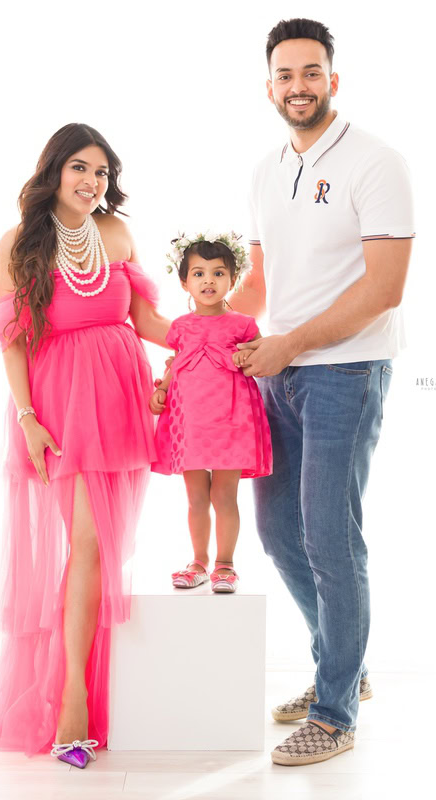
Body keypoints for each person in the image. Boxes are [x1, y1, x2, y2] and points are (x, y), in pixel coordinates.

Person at [231, 19, 413, 766]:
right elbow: (260, 284)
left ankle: (335, 710)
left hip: (345, 373)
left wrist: (291, 344)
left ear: (333, 79)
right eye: (285, 74)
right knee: (279, 535)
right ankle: (344, 665)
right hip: (281, 376)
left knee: (332, 543)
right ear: (268, 85)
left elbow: (385, 288)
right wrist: (198, 345)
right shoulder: (267, 168)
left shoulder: (377, 163)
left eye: (311, 72)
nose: (298, 86)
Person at [0, 123, 170, 769]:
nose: (92, 182)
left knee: (107, 550)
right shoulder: (19, 243)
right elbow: (15, 338)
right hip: (61, 405)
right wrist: (27, 417)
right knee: (83, 546)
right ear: (54, 170)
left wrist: (210, 340)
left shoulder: (117, 233)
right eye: (80, 168)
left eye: (102, 172)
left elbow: (147, 322)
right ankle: (71, 701)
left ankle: (94, 697)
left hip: (123, 399)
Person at [148, 233, 272, 594]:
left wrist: (244, 357)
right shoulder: (180, 328)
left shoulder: (242, 325)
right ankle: (198, 560)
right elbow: (178, 364)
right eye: (199, 274)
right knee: (196, 497)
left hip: (231, 421)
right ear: (184, 281)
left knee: (224, 495)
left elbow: (257, 355)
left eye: (218, 274)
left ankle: (226, 564)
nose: (208, 281)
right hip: (190, 423)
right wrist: (161, 388)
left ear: (232, 280)